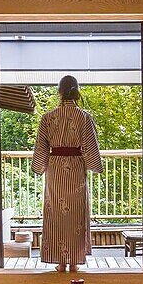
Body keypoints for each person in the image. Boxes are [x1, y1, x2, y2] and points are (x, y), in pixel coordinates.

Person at [31, 76, 103, 273]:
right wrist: (95, 166)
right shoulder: (84, 117)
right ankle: (74, 262)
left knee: (56, 214)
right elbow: (90, 147)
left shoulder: (48, 117)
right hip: (76, 169)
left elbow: (41, 148)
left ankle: (60, 262)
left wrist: (39, 168)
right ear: (77, 92)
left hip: (55, 170)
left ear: (59, 92)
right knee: (76, 215)